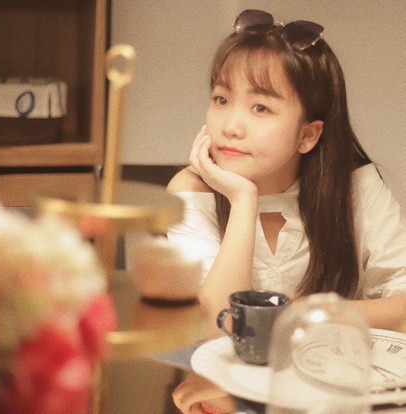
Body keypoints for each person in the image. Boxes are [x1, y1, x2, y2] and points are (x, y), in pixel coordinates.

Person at [167, 9, 406, 414]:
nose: (231, 125)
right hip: (230, 395)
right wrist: (243, 201)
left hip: (333, 395)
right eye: (221, 99)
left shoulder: (355, 189)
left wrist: (307, 316)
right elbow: (215, 328)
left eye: (260, 107)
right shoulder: (193, 191)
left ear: (307, 135)